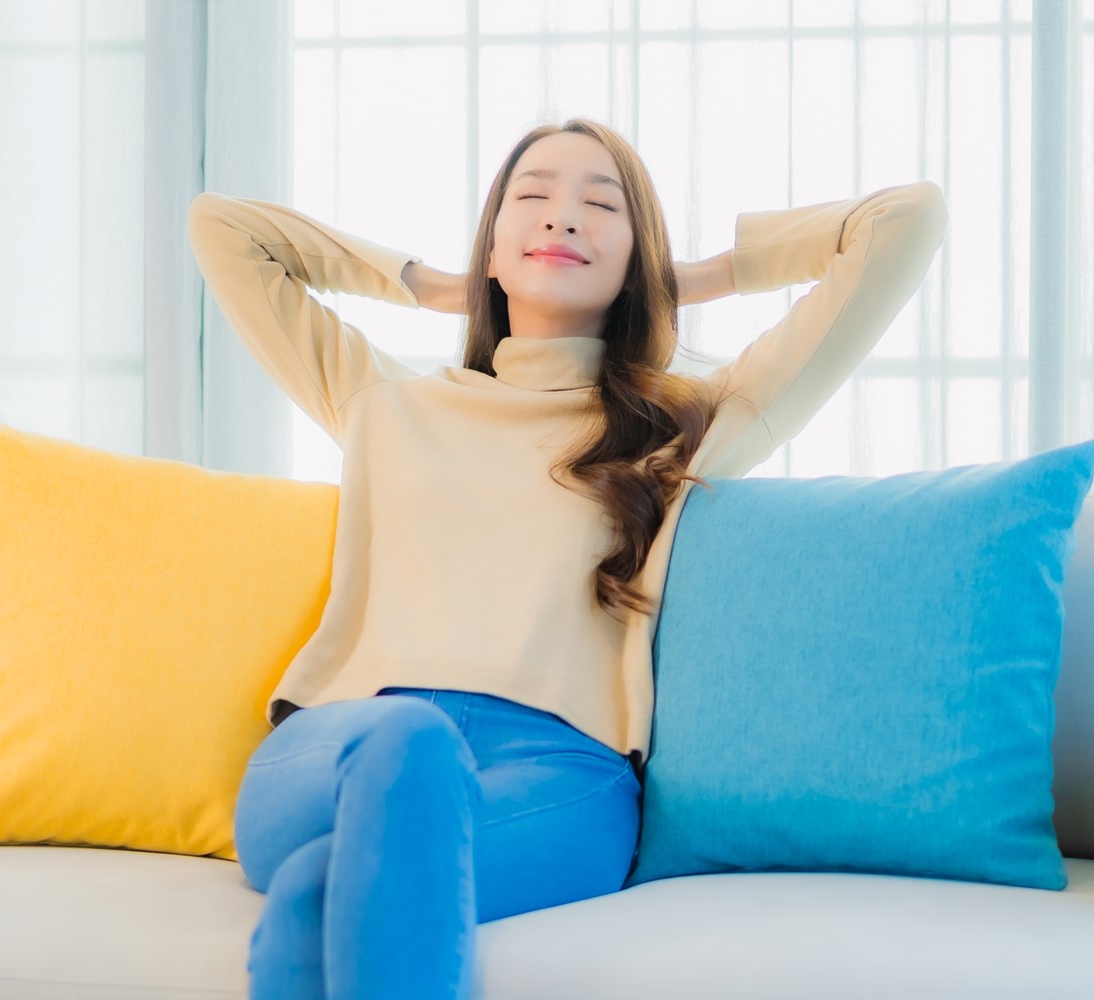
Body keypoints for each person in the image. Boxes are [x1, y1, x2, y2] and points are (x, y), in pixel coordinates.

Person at [186, 117, 947, 1000]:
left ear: (639, 252)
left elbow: (905, 221)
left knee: (320, 895)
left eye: (602, 204)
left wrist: (689, 278)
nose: (563, 218)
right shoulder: (384, 402)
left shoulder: (684, 429)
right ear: (494, 244)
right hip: (346, 744)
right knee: (408, 744)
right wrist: (436, 285)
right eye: (533, 197)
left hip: (555, 777)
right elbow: (223, 229)